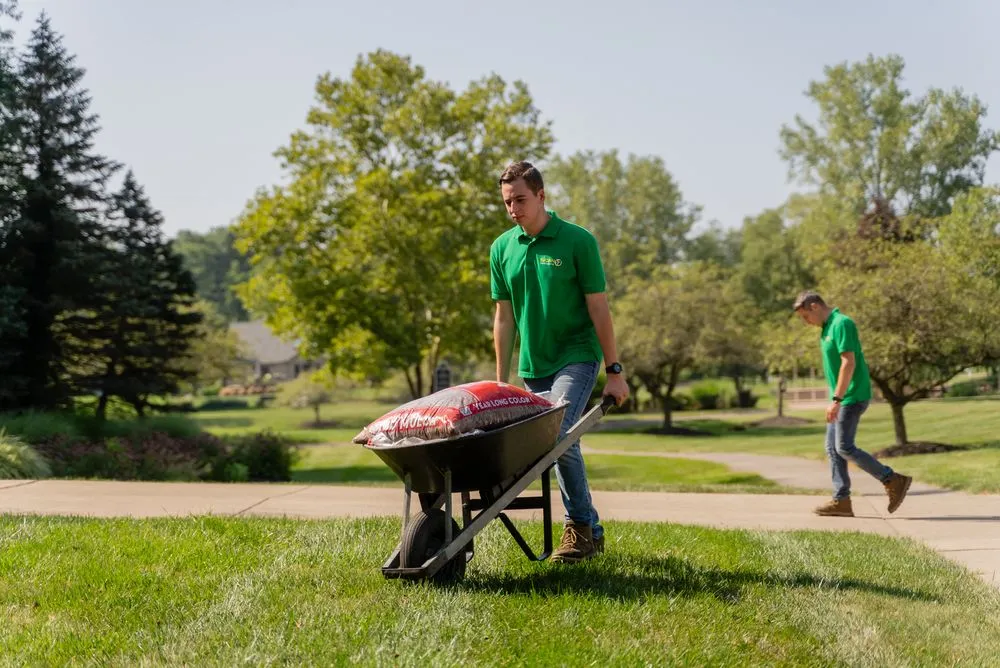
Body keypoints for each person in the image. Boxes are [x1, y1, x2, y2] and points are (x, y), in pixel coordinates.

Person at [490, 160, 629, 563]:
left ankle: (579, 529)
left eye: (520, 199)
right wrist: (501, 381)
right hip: (534, 366)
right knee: (558, 442)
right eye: (506, 202)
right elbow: (505, 317)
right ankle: (592, 528)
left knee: (559, 435)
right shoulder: (502, 248)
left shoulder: (577, 241)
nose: (513, 209)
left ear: (541, 196)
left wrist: (614, 371)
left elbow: (599, 309)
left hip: (577, 357)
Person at [793, 291, 912, 517]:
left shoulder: (842, 323)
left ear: (815, 306)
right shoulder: (826, 329)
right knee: (832, 449)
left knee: (844, 447)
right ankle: (841, 501)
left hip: (852, 395)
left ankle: (892, 479)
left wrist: (837, 399)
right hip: (840, 397)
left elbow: (848, 362)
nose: (805, 321)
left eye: (805, 316)